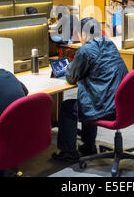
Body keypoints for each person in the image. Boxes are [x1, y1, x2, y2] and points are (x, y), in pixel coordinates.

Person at [52, 17, 128, 162]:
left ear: (84, 35)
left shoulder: (85, 50)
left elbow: (71, 78)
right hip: (119, 103)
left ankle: (68, 152)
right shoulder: (108, 43)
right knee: (87, 96)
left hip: (104, 106)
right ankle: (88, 145)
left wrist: (69, 67)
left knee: (68, 107)